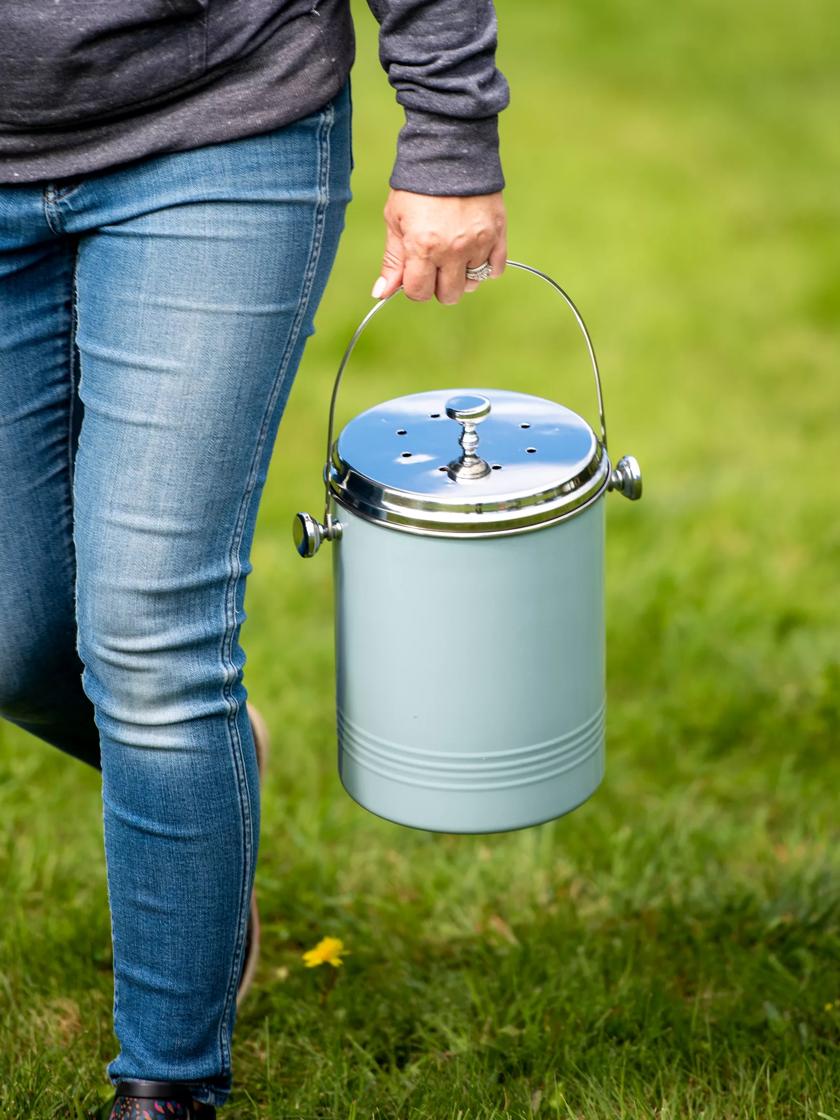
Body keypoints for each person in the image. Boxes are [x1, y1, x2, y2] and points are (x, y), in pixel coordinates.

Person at [0, 0, 508, 1116]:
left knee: (149, 642)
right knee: (14, 639)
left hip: (217, 123)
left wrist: (451, 129)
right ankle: (216, 761)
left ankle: (167, 1083)